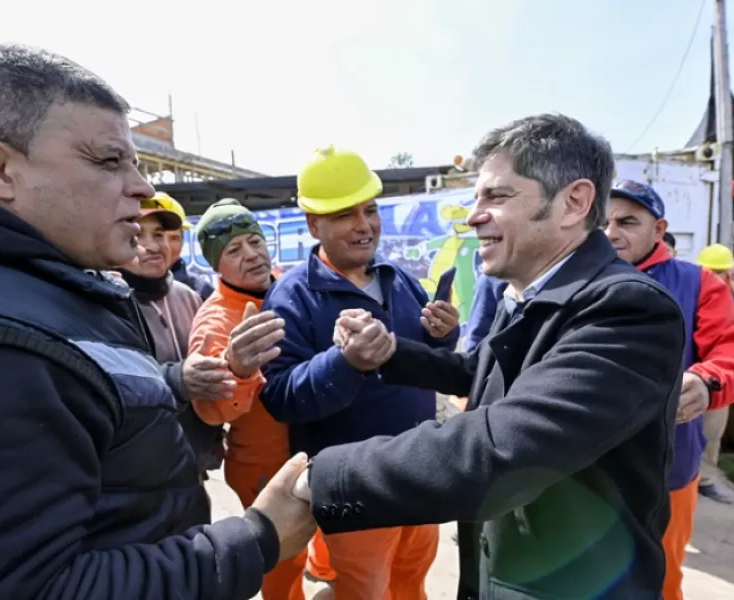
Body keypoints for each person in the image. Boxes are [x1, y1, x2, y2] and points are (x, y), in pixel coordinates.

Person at [0, 43, 314, 599]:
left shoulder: (56, 296)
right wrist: (255, 538)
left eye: (137, 162)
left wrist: (174, 380)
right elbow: (23, 587)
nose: (142, 187)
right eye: (110, 160)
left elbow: (95, 405)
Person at [290, 115, 687, 600]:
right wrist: (391, 354)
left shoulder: (627, 311)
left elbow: (502, 448)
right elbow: (482, 372)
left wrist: (325, 477)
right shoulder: (526, 291)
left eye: (496, 197)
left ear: (574, 203)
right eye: (476, 198)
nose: (474, 215)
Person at [261, 146, 461, 600]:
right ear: (315, 225)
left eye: (369, 210)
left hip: (420, 471)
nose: (364, 224)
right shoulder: (292, 297)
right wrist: (343, 362)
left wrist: (441, 337)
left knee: (411, 581)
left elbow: (424, 361)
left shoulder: (399, 278)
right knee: (365, 591)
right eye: (344, 215)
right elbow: (280, 396)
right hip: (357, 487)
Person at [186, 198, 336, 600]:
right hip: (265, 464)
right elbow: (210, 411)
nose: (251, 254)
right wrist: (237, 367)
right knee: (282, 564)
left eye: (254, 241)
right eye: (234, 251)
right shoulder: (215, 322)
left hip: (316, 447)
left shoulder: (290, 287)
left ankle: (321, 568)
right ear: (216, 265)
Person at [604, 182, 734, 598]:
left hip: (668, 466)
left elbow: (727, 348)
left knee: (659, 575)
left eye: (627, 222)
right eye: (603, 222)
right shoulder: (575, 278)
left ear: (659, 230)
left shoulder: (700, 284)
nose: (611, 233)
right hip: (585, 464)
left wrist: (708, 379)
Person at [117, 198, 225, 495]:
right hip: (136, 479)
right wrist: (179, 380)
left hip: (192, 467)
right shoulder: (106, 303)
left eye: (160, 235)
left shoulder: (188, 296)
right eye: (138, 235)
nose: (154, 246)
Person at [694, 243, 734, 504]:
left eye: (724, 272)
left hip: (720, 380)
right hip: (695, 376)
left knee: (713, 432)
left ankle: (706, 479)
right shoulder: (694, 292)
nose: (718, 278)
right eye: (713, 271)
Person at [149, 191, 216, 300]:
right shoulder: (119, 290)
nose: (166, 246)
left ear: (183, 241)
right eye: (158, 236)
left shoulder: (202, 291)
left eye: (174, 238)